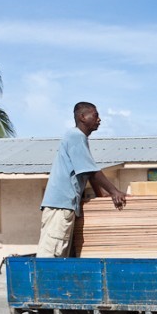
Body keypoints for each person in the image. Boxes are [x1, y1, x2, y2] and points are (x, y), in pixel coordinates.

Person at [36, 102, 127, 258]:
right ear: (82, 117)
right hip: (60, 206)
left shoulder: (79, 138)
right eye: (96, 115)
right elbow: (91, 171)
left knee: (61, 254)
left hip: (64, 206)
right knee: (51, 256)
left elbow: (86, 172)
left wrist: (100, 195)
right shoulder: (75, 136)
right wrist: (114, 192)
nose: (99, 120)